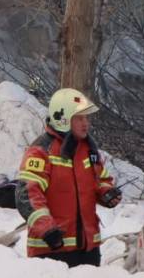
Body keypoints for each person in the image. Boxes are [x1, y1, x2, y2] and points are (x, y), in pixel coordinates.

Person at [15, 88, 121, 268]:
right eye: (79, 118)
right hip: (52, 249)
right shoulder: (41, 151)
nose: (85, 123)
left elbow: (101, 179)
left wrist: (107, 193)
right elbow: (27, 195)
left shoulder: (89, 150)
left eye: (86, 118)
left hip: (88, 249)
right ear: (63, 119)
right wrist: (47, 230)